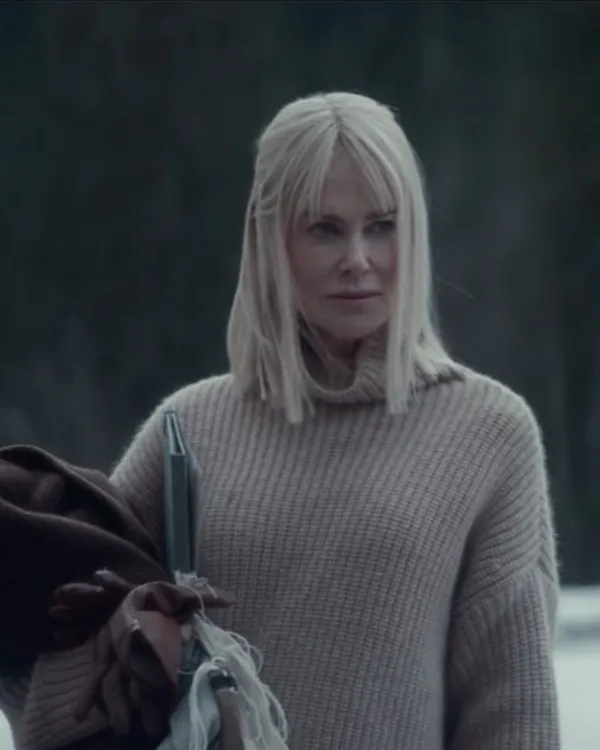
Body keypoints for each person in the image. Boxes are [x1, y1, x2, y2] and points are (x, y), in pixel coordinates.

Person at [1, 91, 561, 750]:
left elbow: (512, 709)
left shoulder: (489, 433)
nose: (359, 258)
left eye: (382, 225)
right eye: (325, 228)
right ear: (270, 239)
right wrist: (132, 643)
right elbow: (61, 663)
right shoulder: (188, 430)